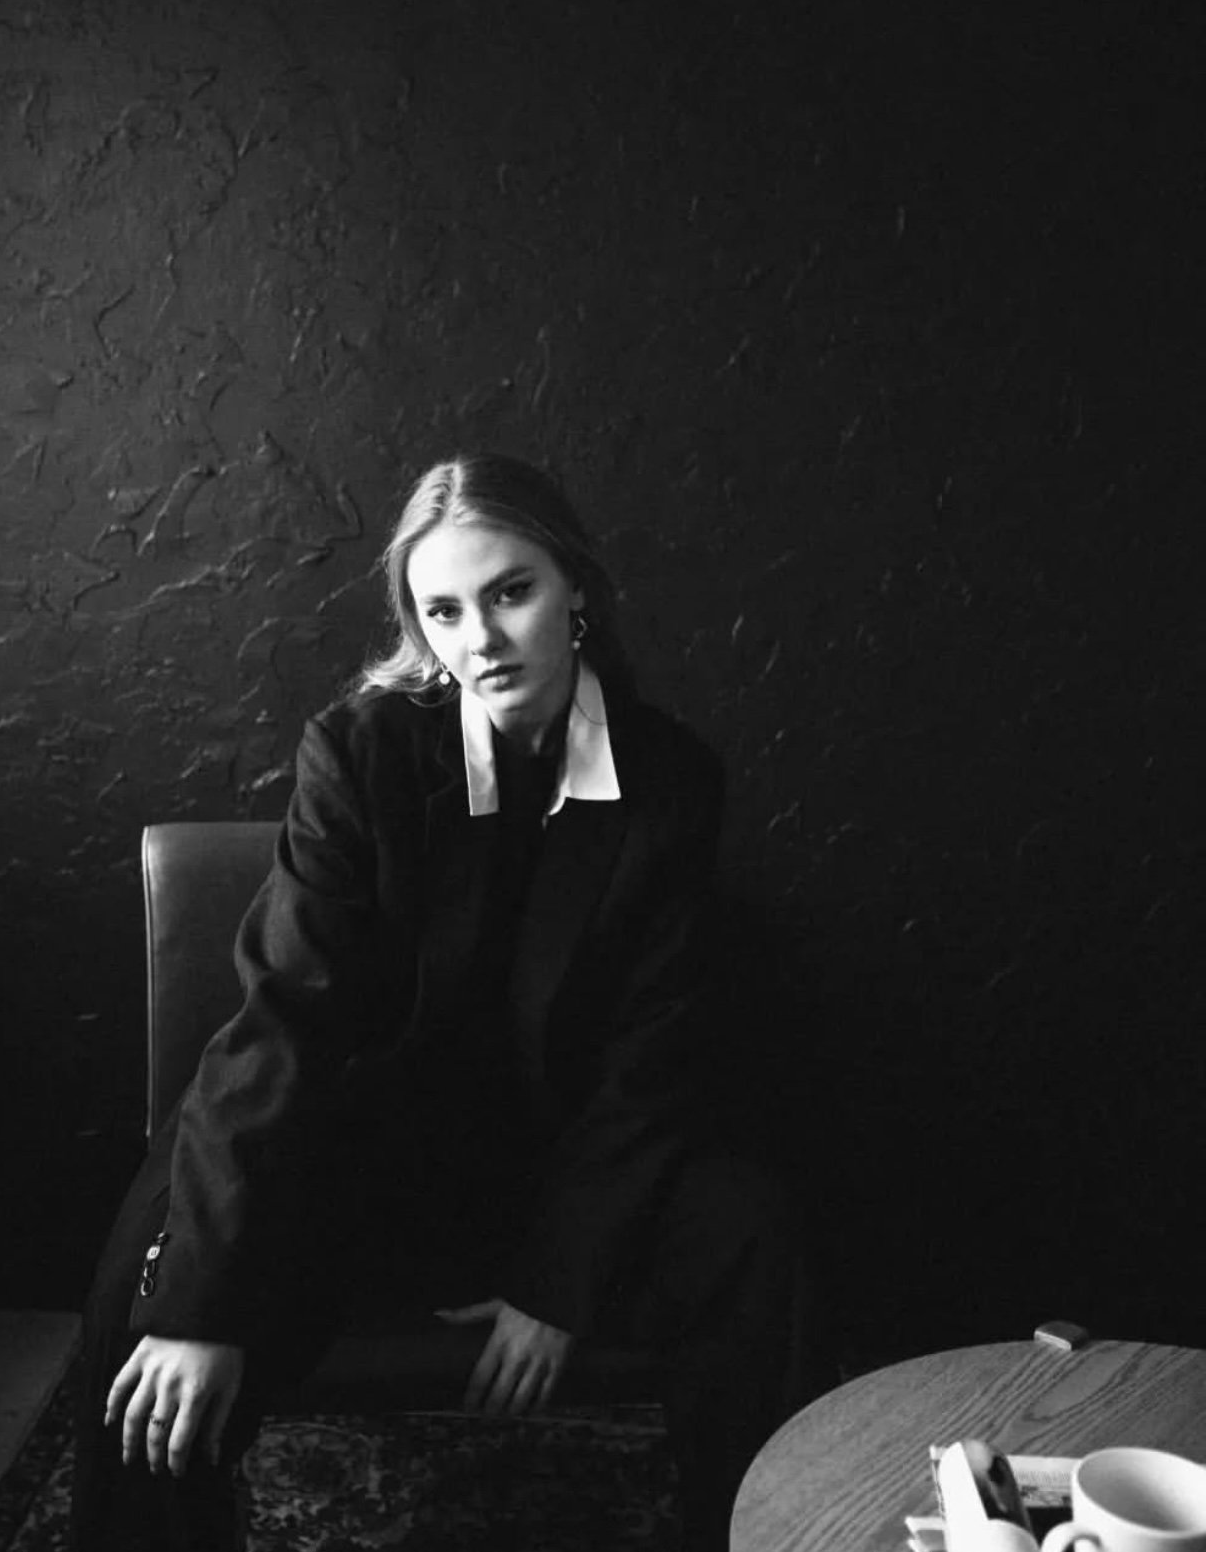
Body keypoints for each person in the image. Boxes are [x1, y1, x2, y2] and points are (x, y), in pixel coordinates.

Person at [72, 453, 819, 1552]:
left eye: (511, 592)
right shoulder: (361, 752)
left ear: (576, 589)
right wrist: (205, 1305)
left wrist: (558, 1282)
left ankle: (762, 1532)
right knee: (153, 1309)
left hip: (549, 1164)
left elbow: (652, 1059)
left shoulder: (670, 780)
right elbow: (287, 1024)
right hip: (358, 1149)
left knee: (752, 1231)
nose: (482, 638)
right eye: (445, 610)